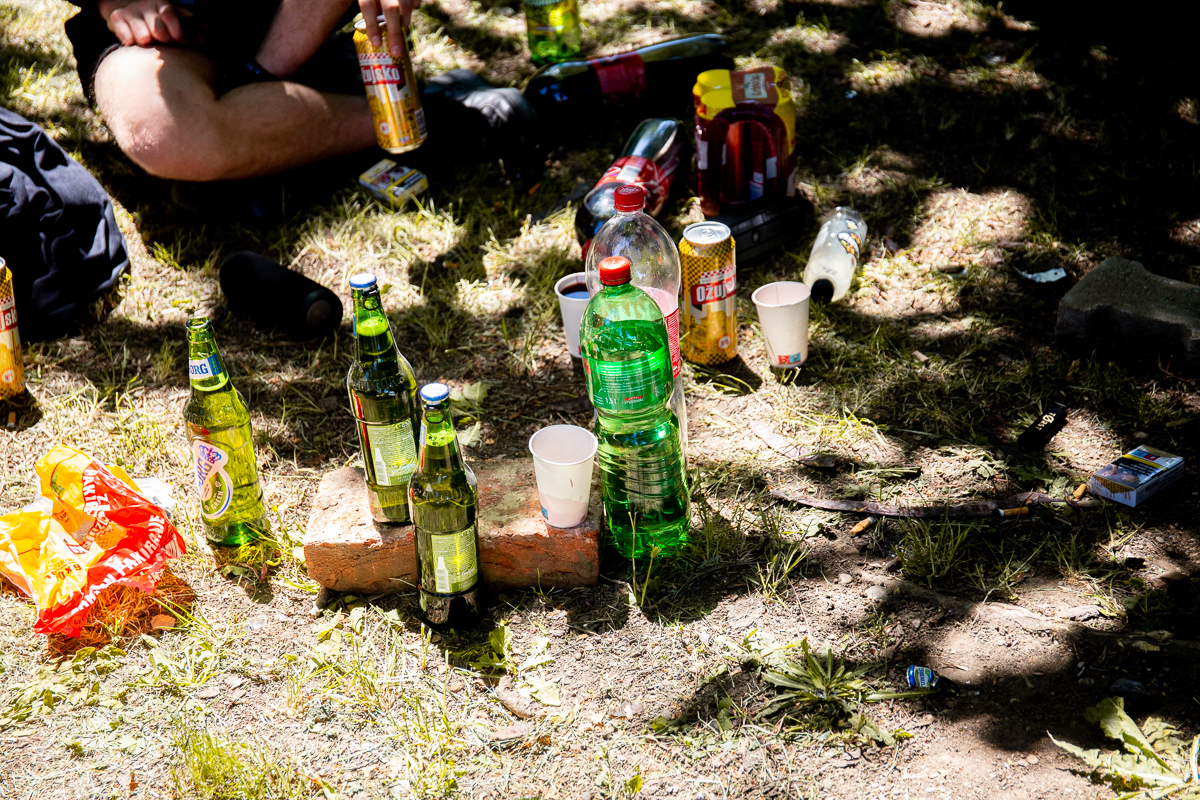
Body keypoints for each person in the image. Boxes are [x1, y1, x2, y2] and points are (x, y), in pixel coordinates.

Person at [64, 0, 421, 182]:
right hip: (158, 27)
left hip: (285, 17)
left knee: (196, 139)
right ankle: (404, 117)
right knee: (160, 134)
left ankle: (406, 120)